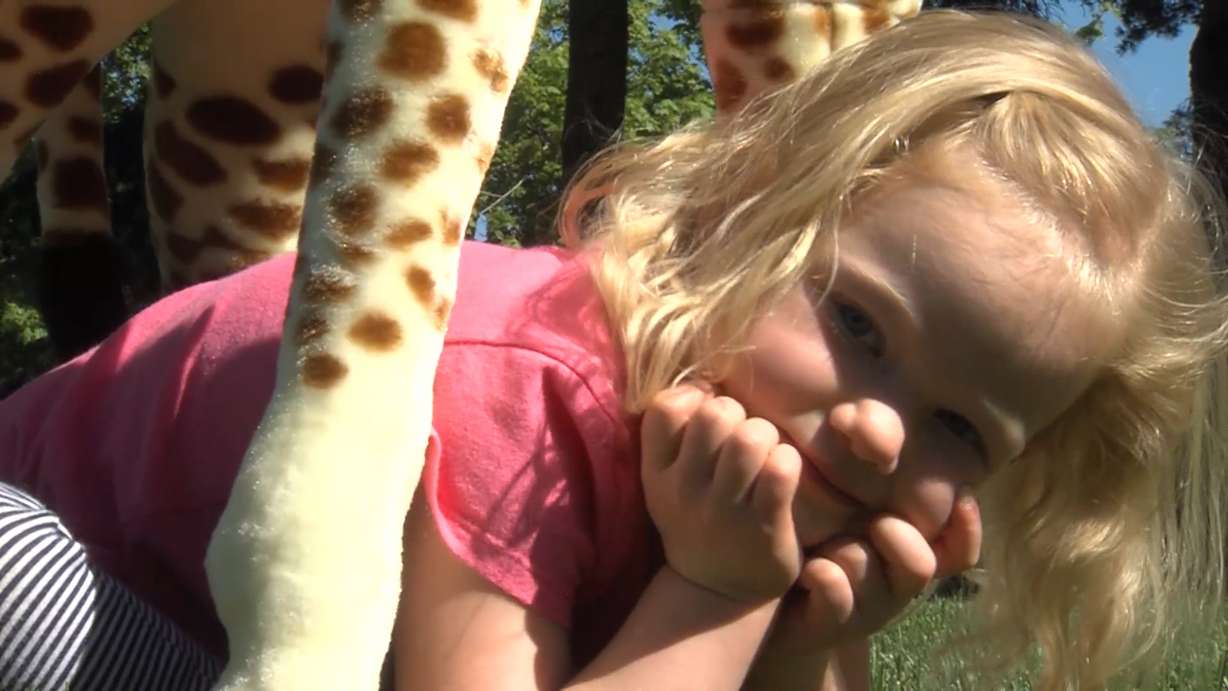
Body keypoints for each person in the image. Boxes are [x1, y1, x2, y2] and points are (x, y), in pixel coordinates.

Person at [1, 9, 1225, 690]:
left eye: (963, 430)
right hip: (53, 553)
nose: (878, 427)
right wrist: (711, 600)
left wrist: (795, 643)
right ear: (751, 216)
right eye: (856, 325)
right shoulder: (522, 386)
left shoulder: (773, 476)